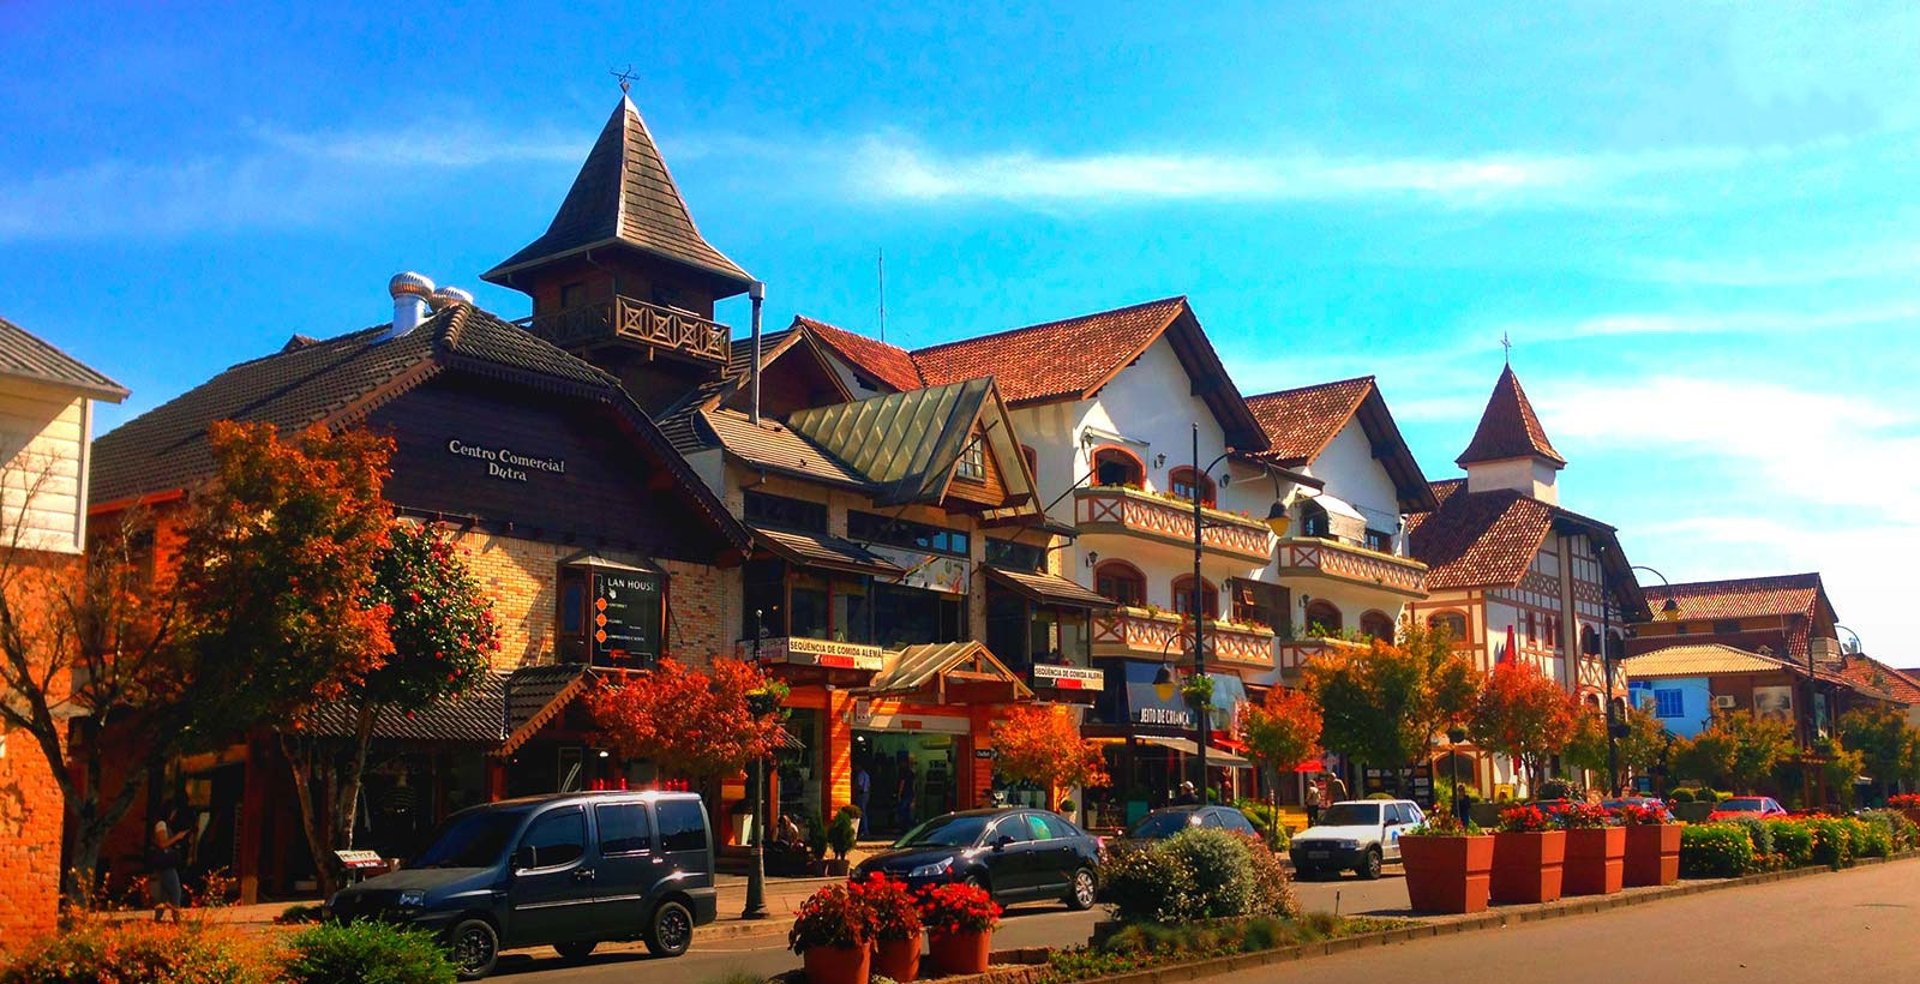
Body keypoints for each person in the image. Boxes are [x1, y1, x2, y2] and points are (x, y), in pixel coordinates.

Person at [148, 817, 189, 923]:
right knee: (175, 892)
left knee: (163, 895)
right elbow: (162, 844)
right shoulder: (161, 825)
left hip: (165, 865)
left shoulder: (164, 826)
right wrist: (177, 837)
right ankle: (177, 919)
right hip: (166, 866)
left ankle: (157, 920)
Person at [852, 762, 872, 838]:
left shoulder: (860, 775)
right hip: (866, 794)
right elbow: (869, 786)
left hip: (861, 794)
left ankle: (864, 830)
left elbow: (859, 786)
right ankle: (864, 830)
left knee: (861, 813)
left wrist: (855, 794)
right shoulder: (866, 775)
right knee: (863, 812)